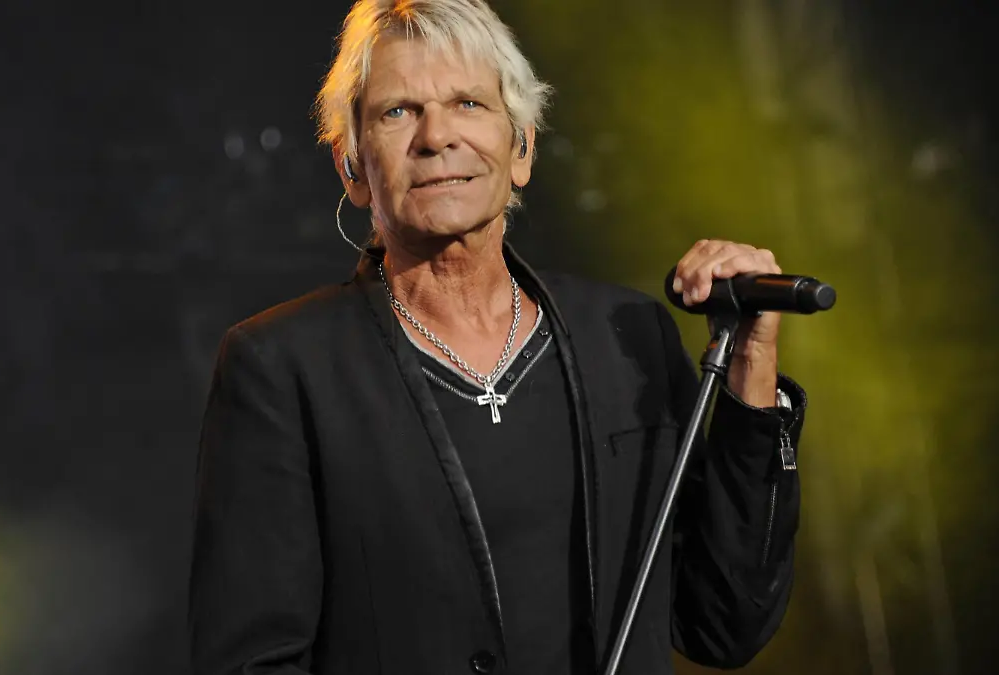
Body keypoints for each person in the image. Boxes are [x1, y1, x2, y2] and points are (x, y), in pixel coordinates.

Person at [188, 1, 807, 673]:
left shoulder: (626, 339)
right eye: (398, 112)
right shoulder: (281, 367)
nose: (437, 137)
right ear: (352, 167)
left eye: (469, 104)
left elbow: (723, 621)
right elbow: (251, 662)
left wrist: (750, 363)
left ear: (522, 148)